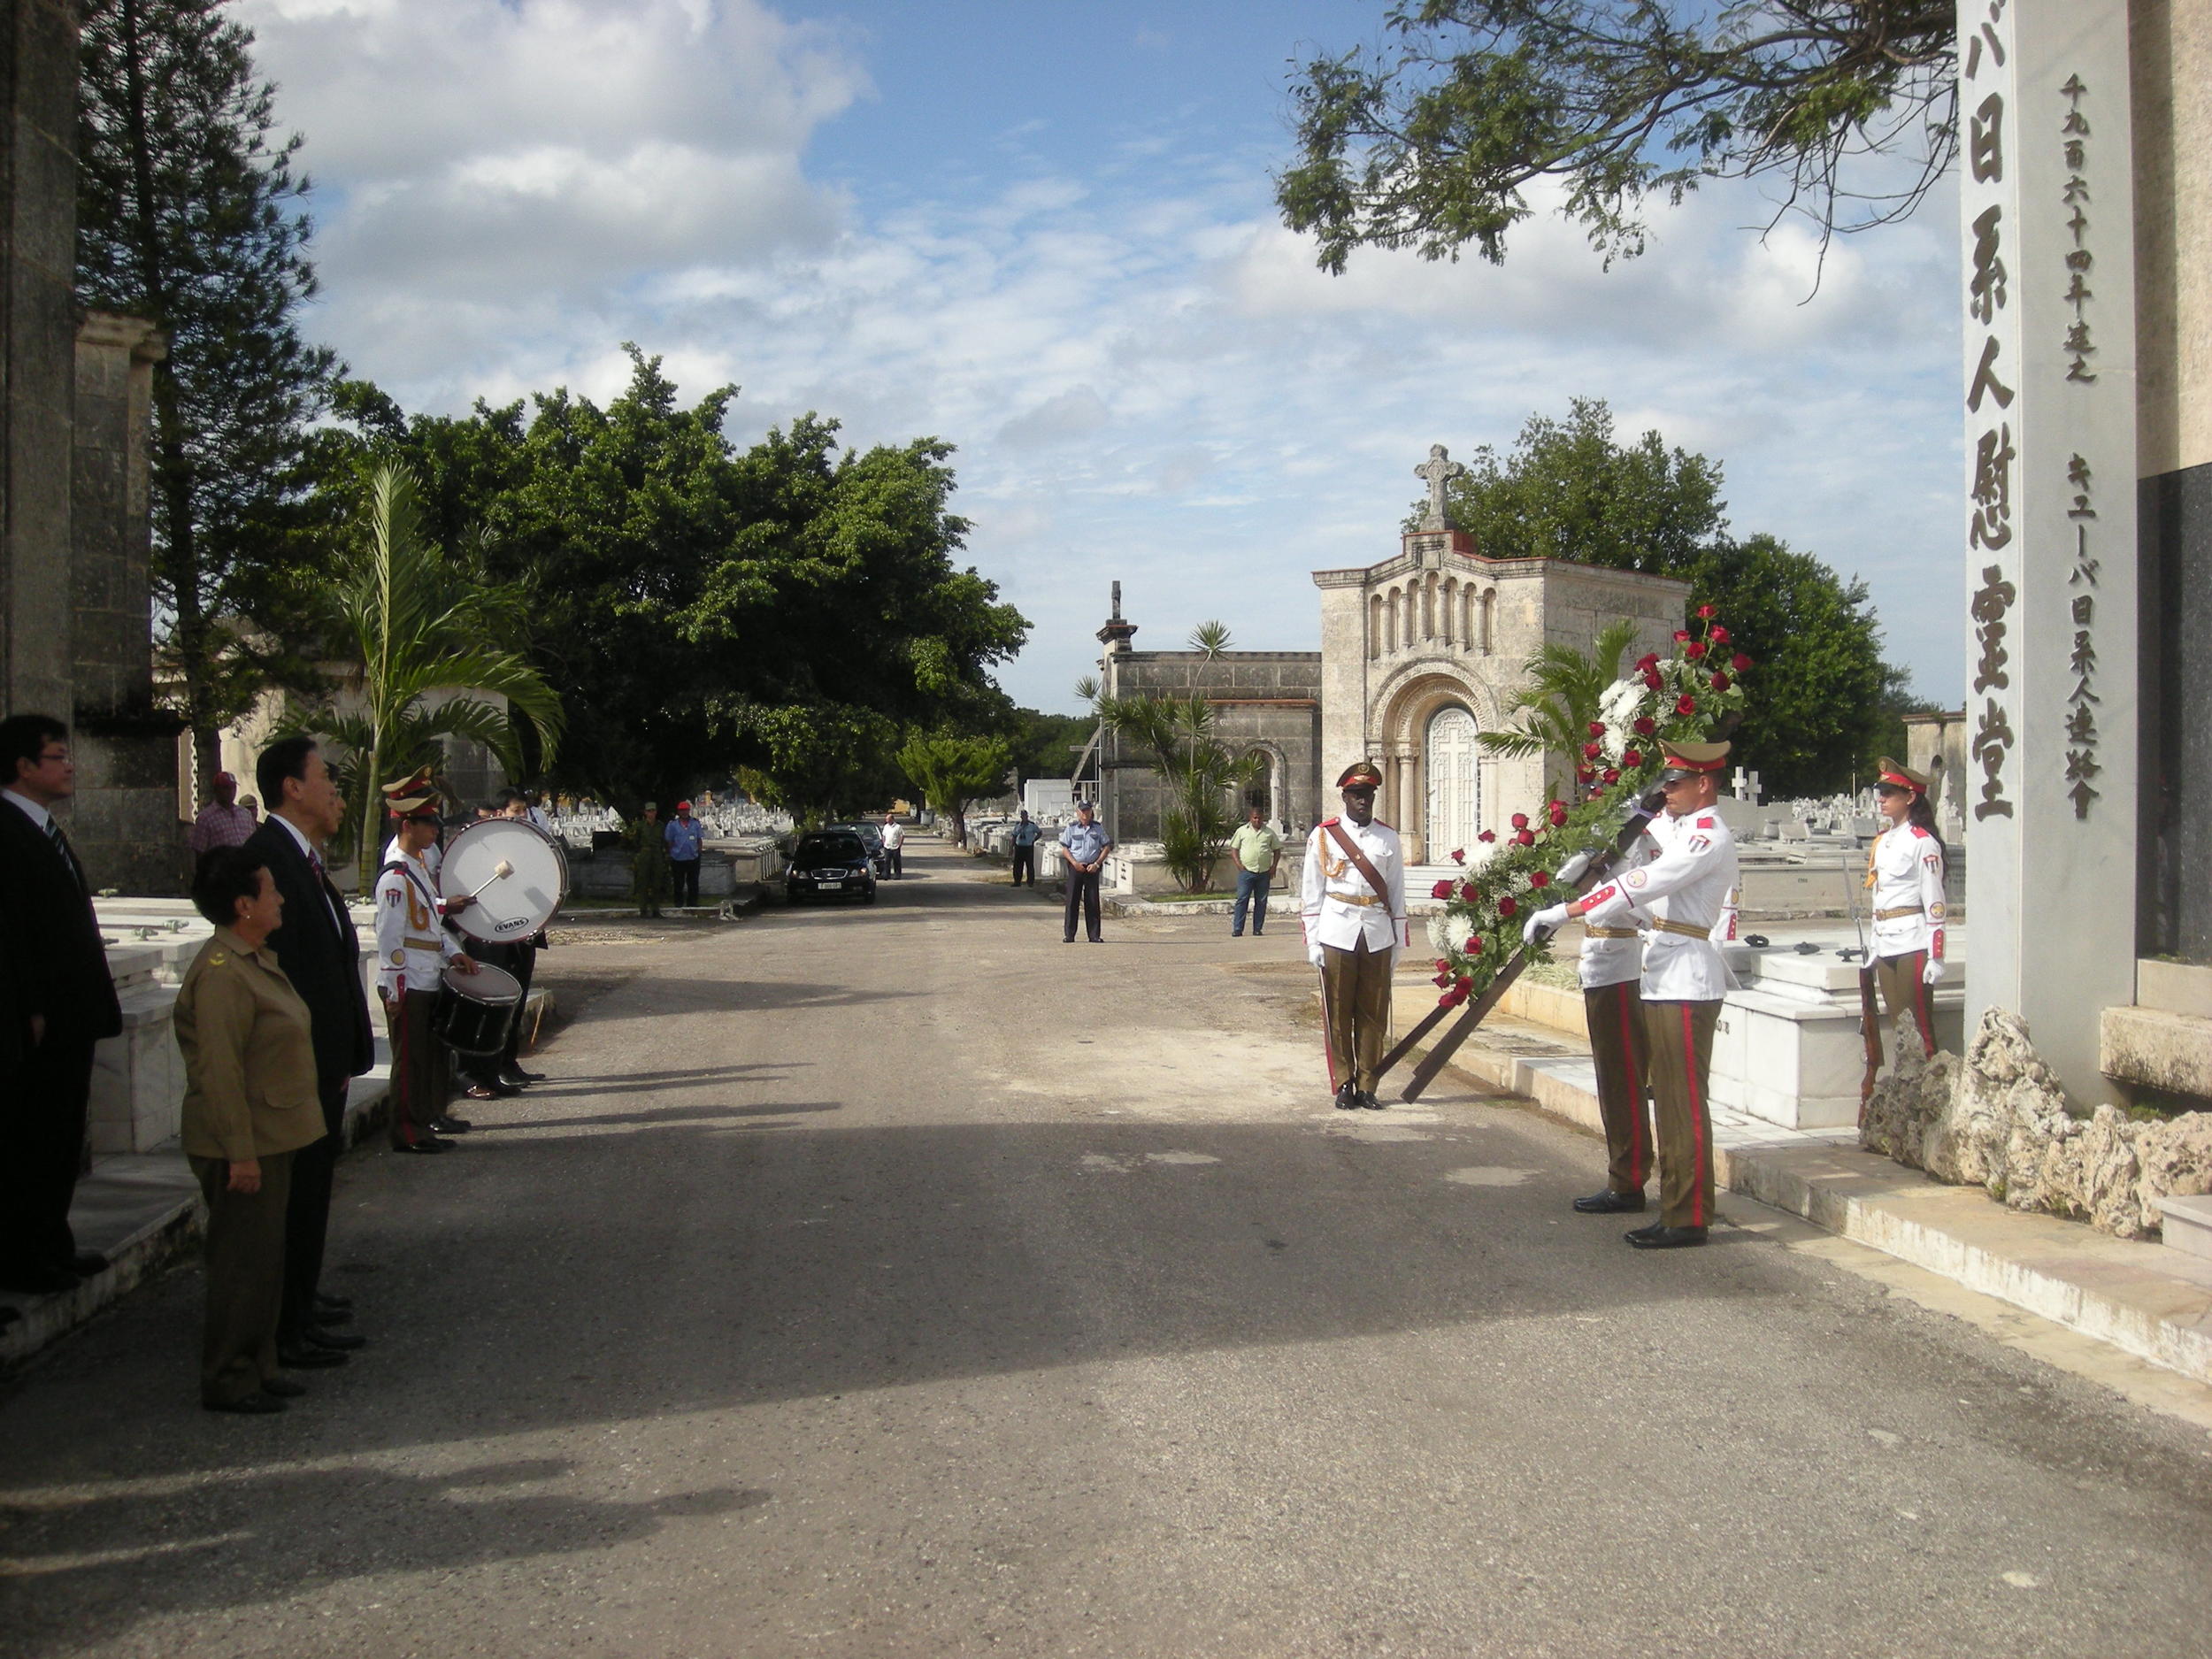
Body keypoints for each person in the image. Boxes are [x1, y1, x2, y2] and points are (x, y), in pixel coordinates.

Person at [1526, 739, 1740, 1250]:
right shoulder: (1686, 829)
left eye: (1676, 783)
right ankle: (1676, 1206)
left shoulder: (1707, 837)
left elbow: (1640, 884)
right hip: (1667, 971)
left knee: (1681, 1102)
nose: (1666, 791)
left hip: (1688, 976)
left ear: (1704, 784)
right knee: (1668, 1098)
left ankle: (1687, 1215)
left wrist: (1564, 912)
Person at [176, 846, 327, 1413]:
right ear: (243, 905)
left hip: (273, 1136)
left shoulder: (254, 959)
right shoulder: (222, 975)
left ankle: (260, 1363)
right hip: (243, 1144)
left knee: (266, 1261)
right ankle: (229, 1376)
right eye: (270, 891)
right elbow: (219, 1073)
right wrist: (240, 1154)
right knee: (242, 1266)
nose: (281, 897)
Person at [246, 735, 377, 1368]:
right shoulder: (267, 857)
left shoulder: (304, 858)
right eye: (324, 776)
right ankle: (285, 1323)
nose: (335, 789)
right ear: (292, 787)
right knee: (292, 1197)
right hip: (294, 1064)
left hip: (322, 1059)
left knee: (313, 1190)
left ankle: (302, 1299)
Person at [0, 715, 123, 1295]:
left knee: (60, 1134)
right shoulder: (7, 829)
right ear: (24, 766)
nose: (68, 764)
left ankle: (52, 1243)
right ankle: (25, 1256)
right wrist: (31, 1004)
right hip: (38, 1019)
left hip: (71, 1013)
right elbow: (14, 931)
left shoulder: (42, 827)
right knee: (33, 1138)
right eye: (55, 755)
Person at [376, 779, 481, 1154]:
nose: (435, 830)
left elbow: (430, 923)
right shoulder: (395, 877)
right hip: (409, 981)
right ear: (407, 825)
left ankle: (423, 1121)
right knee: (409, 1063)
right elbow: (389, 939)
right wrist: (394, 989)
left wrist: (452, 953)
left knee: (427, 1057)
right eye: (428, 823)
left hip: (426, 974)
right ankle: (407, 1131)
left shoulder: (416, 869)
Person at [1301, 761, 1408, 1111]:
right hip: (1337, 929)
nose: (1364, 801)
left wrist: (1398, 941)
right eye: (1357, 795)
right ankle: (1344, 1082)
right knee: (1338, 1010)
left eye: (1369, 795)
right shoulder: (1323, 835)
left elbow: (1396, 891)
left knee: (1373, 1013)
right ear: (1344, 796)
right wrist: (1314, 940)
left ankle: (1368, 1084)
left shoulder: (1388, 837)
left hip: (1376, 931)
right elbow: (1312, 891)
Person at [1868, 757, 1948, 1058]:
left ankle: (1930, 1088)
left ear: (1910, 797)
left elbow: (1934, 901)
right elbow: (1880, 896)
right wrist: (1875, 942)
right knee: (1899, 1028)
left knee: (1919, 1026)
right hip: (1887, 939)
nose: (1882, 799)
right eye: (1881, 792)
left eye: (1889, 793)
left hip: (1913, 941)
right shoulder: (1883, 841)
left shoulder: (1922, 842)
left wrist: (1936, 954)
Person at [1057, 799, 1113, 943]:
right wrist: (1074, 863)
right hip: (1076, 867)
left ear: (1091, 812)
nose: (1084, 813)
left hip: (1092, 868)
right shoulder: (1071, 828)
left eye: (1087, 810)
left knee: (1092, 901)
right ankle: (1069, 934)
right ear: (1077, 812)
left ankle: (1094, 935)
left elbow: (1106, 847)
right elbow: (1065, 848)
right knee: (1072, 901)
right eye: (1082, 810)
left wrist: (1097, 863)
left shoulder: (1098, 828)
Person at [1226, 806, 1283, 938]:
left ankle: (1257, 928)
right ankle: (1238, 929)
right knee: (1242, 899)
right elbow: (1234, 849)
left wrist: (1274, 866)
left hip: (1263, 872)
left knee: (1261, 901)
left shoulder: (1269, 833)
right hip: (1246, 872)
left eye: (1260, 818)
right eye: (1255, 818)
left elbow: (1277, 850)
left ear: (1263, 818)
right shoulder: (1242, 831)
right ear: (1250, 818)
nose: (1257, 820)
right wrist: (1239, 865)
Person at [186, 771, 257, 856]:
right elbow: (199, 852)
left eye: (233, 787)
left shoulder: (245, 814)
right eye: (226, 788)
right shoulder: (205, 819)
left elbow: (254, 843)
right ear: (216, 790)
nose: (231, 791)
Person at [632, 803, 669, 918]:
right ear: (645, 812)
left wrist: (664, 855)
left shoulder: (660, 826)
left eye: (653, 811)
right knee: (643, 882)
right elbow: (635, 840)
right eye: (649, 811)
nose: (651, 813)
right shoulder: (640, 826)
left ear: (656, 812)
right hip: (645, 854)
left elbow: (664, 841)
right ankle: (643, 910)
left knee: (657, 883)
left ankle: (656, 910)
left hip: (657, 854)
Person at [665, 800, 704, 908]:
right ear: (678, 811)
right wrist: (671, 853)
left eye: (686, 810)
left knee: (693, 882)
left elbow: (699, 839)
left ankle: (693, 902)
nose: (684, 812)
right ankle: (678, 903)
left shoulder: (695, 823)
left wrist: (699, 851)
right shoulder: (672, 825)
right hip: (678, 858)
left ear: (689, 811)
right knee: (678, 883)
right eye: (682, 810)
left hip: (693, 857)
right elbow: (669, 841)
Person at [1009, 811, 1041, 886]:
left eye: (1025, 816)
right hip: (1019, 847)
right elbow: (1014, 836)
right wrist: (1011, 847)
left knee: (1029, 865)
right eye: (1022, 816)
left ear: (1027, 816)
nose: (1024, 817)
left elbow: (1039, 832)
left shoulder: (1032, 826)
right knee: (1017, 865)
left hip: (1028, 847)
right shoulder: (1018, 826)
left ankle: (1030, 882)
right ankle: (1017, 881)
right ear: (1021, 817)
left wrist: (1034, 839)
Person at [881, 811, 906, 878]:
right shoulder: (886, 826)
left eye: (888, 819)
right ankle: (887, 875)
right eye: (886, 819)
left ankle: (897, 875)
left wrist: (900, 844)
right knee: (887, 862)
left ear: (892, 819)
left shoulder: (898, 827)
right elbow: (883, 835)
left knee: (896, 862)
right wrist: (884, 843)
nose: (887, 821)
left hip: (895, 847)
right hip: (887, 847)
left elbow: (902, 835)